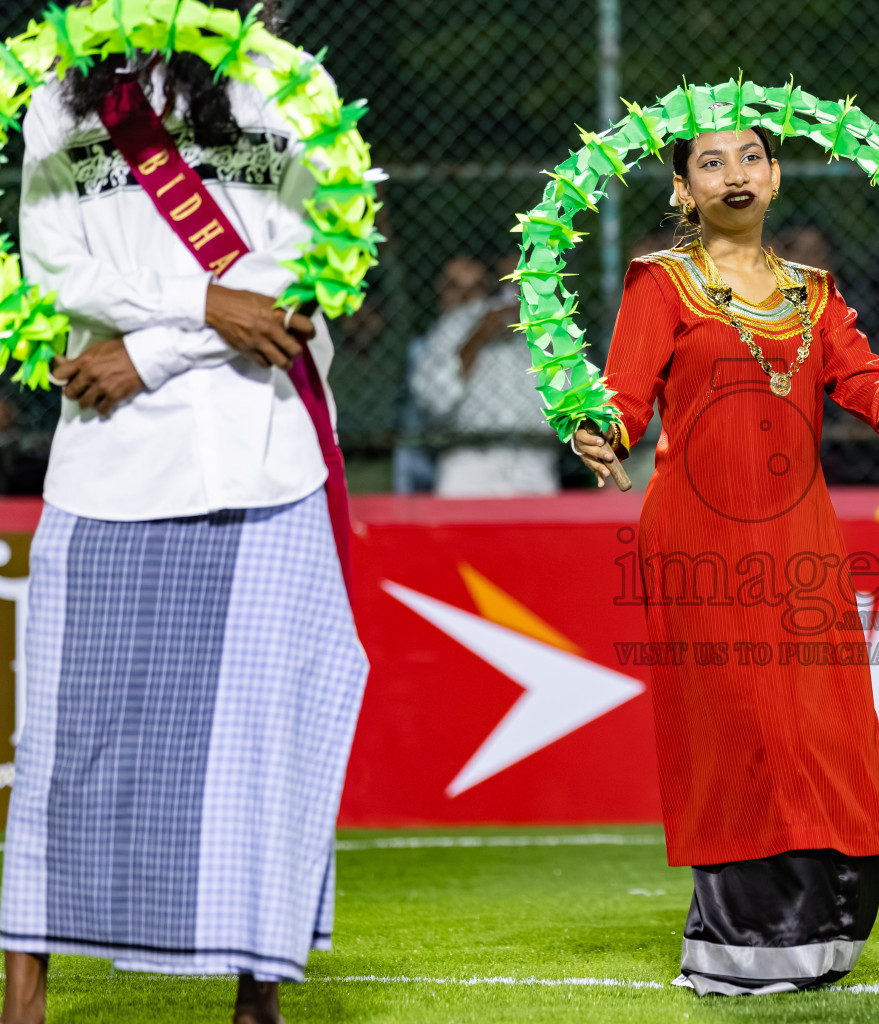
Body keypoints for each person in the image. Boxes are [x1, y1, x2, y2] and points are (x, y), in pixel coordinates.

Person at [0, 5, 368, 1024]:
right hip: (108, 459)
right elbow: (56, 269)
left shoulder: (295, 85)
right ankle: (21, 1000)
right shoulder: (56, 100)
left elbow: (307, 273)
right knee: (66, 742)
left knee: (270, 733)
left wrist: (153, 348)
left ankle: (257, 1002)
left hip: (268, 451)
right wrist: (206, 309)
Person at [571, 123, 879, 995]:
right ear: (681, 190)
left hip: (800, 535)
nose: (734, 175)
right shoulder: (661, 283)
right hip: (698, 535)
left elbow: (860, 376)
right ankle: (744, 946)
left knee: (821, 722)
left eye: (750, 159)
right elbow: (624, 395)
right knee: (742, 726)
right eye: (711, 163)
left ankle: (825, 933)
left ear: (775, 177)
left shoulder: (814, 292)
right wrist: (599, 430)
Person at [411, 253, 559, 497]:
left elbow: (578, 396)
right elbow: (435, 403)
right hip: (468, 462)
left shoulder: (553, 329)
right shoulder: (455, 325)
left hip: (535, 461)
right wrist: (478, 337)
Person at [394, 256, 491, 494]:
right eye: (453, 287)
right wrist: (471, 344)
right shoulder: (429, 343)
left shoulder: (518, 331)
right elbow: (436, 405)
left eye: (472, 291)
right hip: (450, 460)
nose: (463, 301)